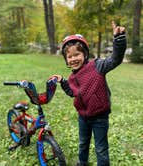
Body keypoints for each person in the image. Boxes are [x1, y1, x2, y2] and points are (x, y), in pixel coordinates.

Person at [50, 21, 126, 166]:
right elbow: (72, 93)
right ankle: (82, 162)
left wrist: (119, 39)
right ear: (66, 59)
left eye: (76, 54)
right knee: (83, 143)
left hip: (99, 118)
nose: (73, 59)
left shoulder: (97, 66)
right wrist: (64, 82)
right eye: (70, 57)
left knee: (101, 148)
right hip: (83, 117)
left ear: (84, 54)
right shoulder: (72, 78)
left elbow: (115, 59)